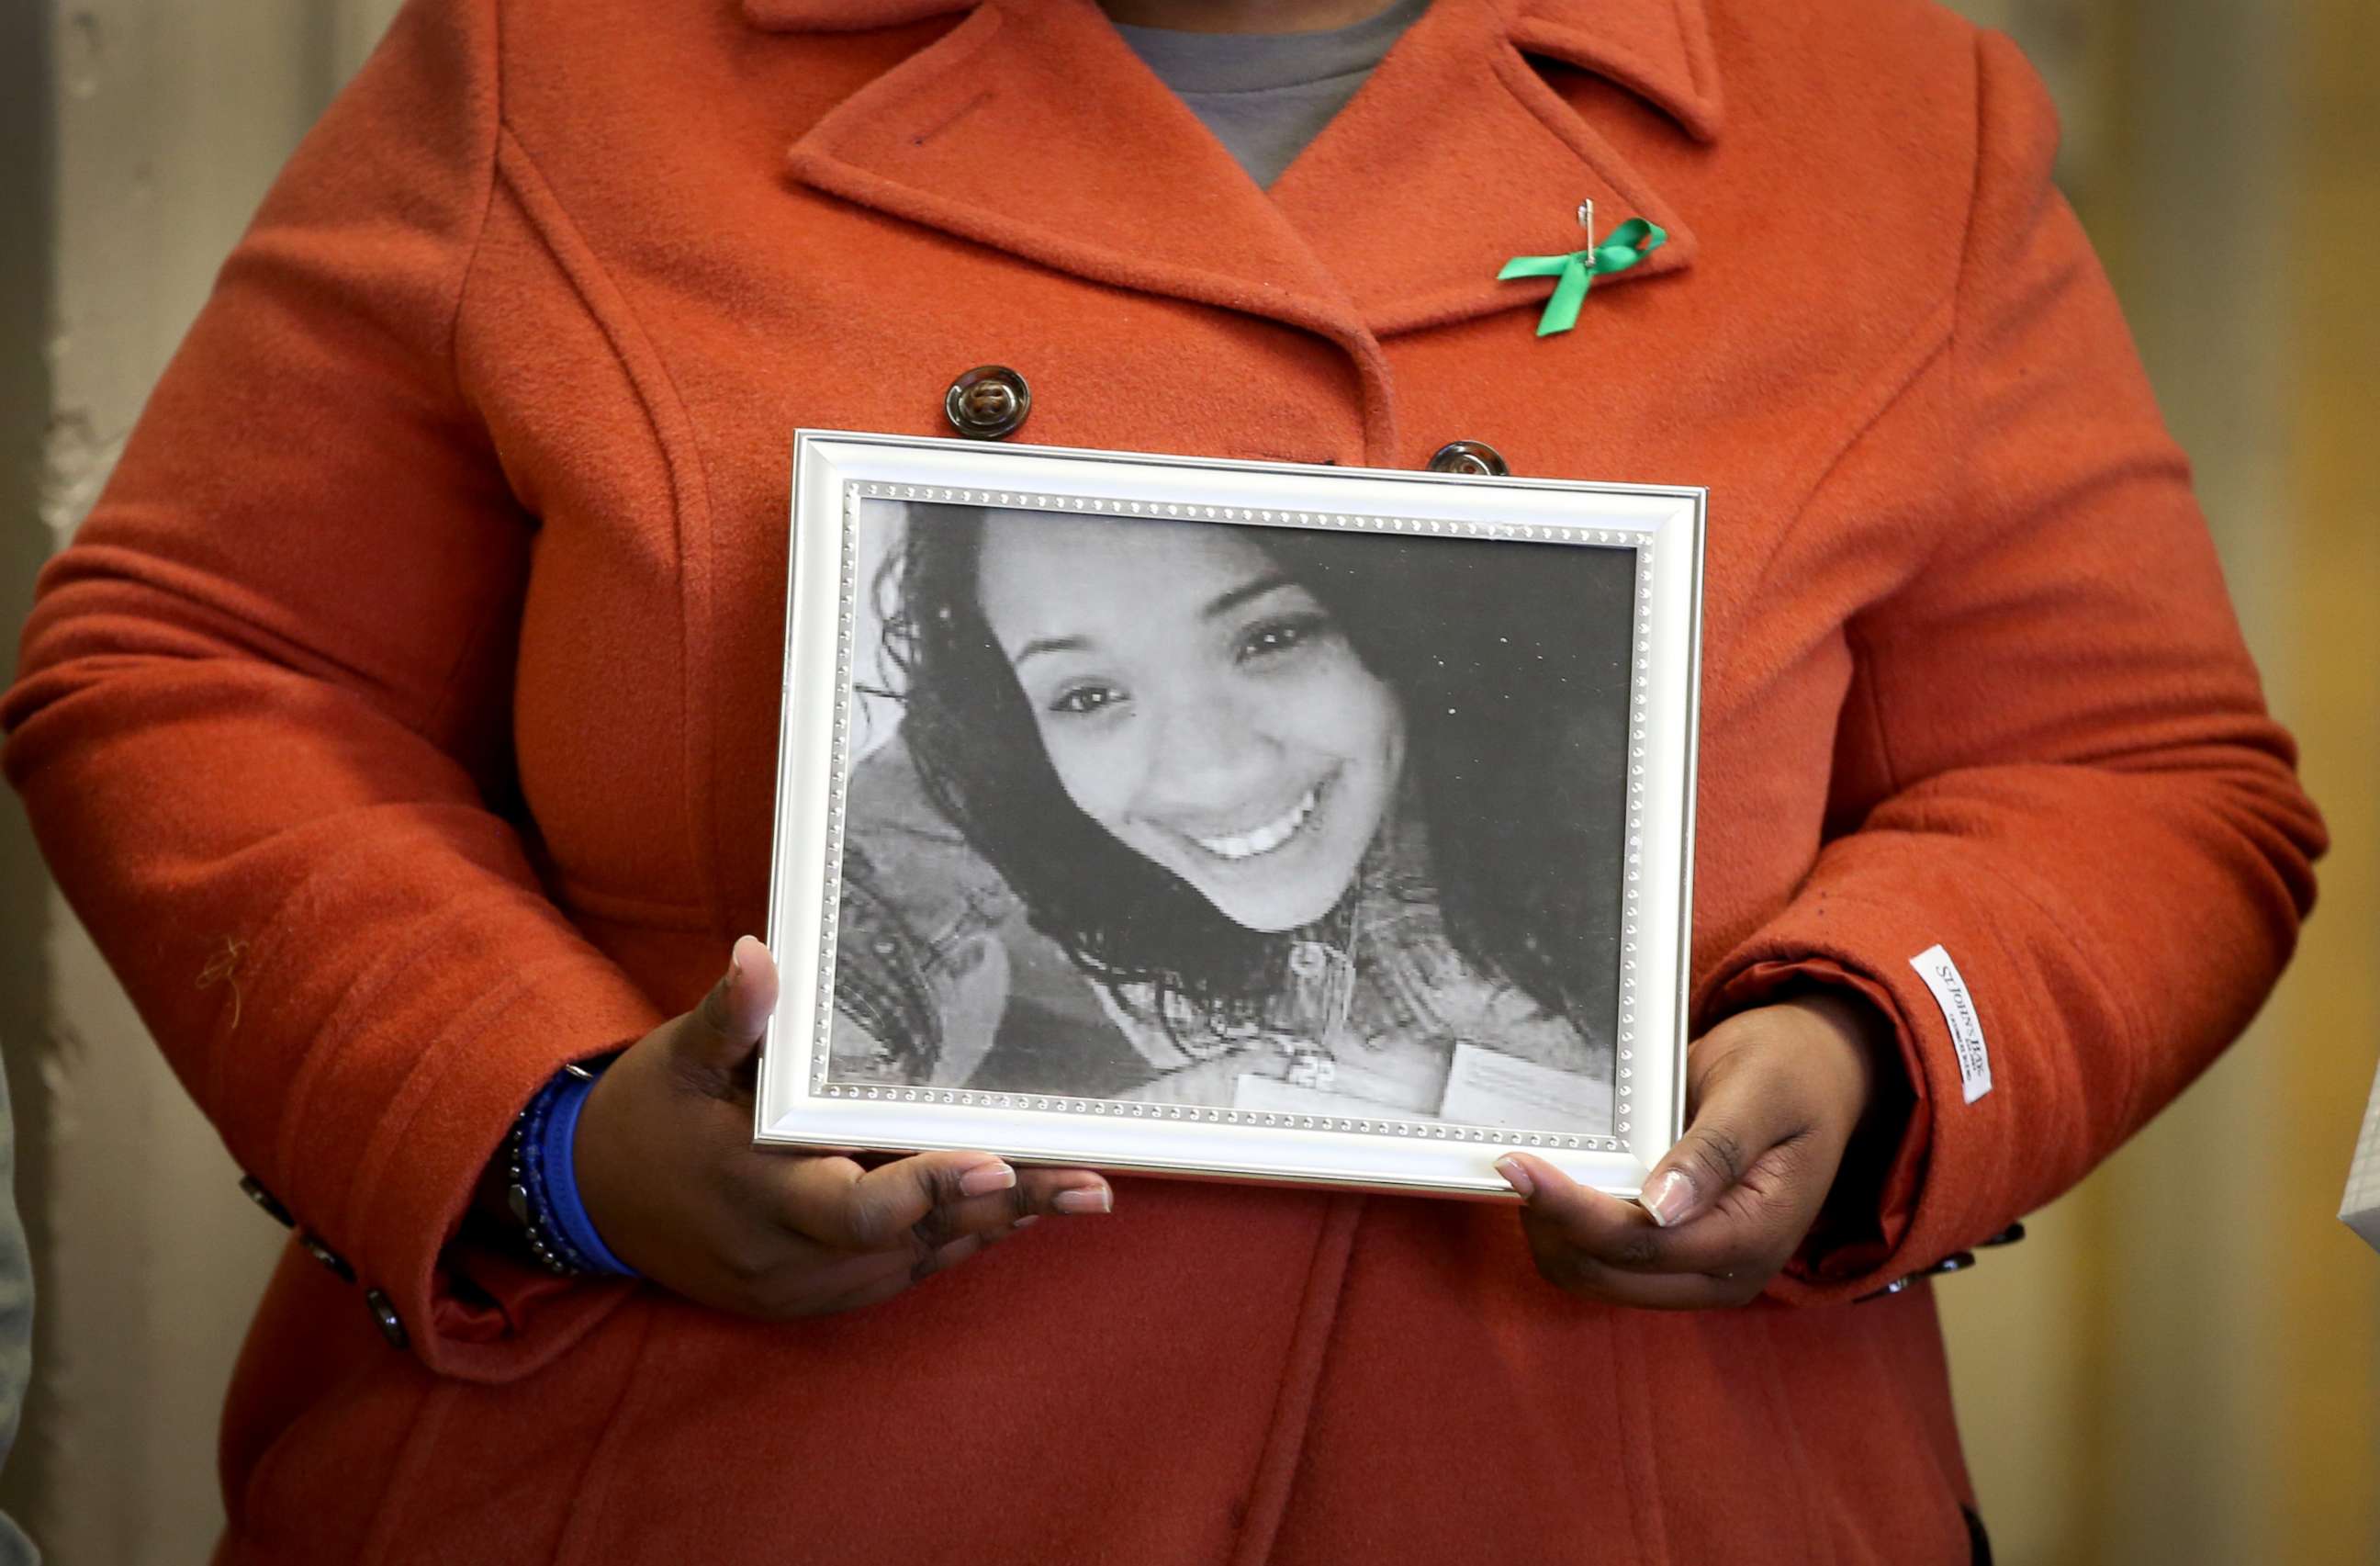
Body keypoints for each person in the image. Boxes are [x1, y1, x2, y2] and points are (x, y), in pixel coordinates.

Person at [0, 0, 2324, 1560]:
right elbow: (206, 660)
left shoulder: (1891, 114)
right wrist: (558, 1141)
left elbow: (2128, 773)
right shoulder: (562, 55)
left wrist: (1862, 1056)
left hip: (1599, 1476)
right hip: (701, 1471)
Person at [831, 502, 1630, 1129]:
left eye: (1272, 636)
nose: (1211, 771)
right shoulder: (1002, 755)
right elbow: (859, 918)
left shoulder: (1611, 808)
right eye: (1088, 694)